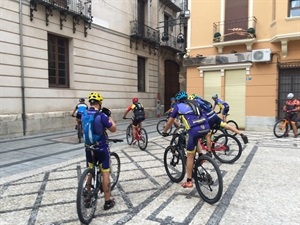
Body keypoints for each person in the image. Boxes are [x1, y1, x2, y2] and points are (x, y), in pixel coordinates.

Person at [162, 91, 210, 188]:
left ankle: (189, 181)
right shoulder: (195, 102)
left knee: (190, 156)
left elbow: (169, 122)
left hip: (194, 129)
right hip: (205, 126)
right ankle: (201, 156)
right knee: (196, 137)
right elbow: (207, 107)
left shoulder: (178, 106)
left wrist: (165, 131)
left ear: (178, 100)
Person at [85, 92, 117, 210]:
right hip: (101, 147)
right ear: (99, 103)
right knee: (105, 172)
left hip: (89, 148)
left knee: (90, 170)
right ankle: (108, 201)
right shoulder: (102, 115)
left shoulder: (84, 114)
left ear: (90, 103)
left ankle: (87, 195)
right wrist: (110, 117)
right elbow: (113, 129)